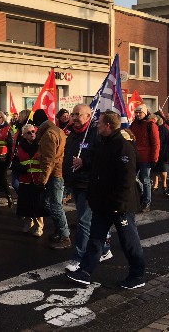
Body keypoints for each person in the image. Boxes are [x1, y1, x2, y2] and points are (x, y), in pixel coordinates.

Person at [67, 111, 146, 289]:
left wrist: (120, 204)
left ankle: (137, 275)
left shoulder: (123, 145)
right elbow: (97, 163)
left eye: (100, 123)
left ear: (108, 126)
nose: (98, 126)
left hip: (119, 205)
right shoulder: (104, 142)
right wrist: (83, 163)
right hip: (102, 203)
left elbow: (126, 179)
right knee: (95, 239)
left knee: (129, 242)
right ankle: (85, 272)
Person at [62, 104, 112, 270]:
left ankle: (79, 258)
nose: (75, 117)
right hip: (76, 182)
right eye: (73, 114)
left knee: (83, 221)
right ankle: (104, 249)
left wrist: (85, 162)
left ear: (88, 116)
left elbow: (101, 157)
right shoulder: (72, 133)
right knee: (90, 221)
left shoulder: (95, 133)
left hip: (88, 184)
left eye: (79, 114)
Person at [33, 109, 71, 250]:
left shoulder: (48, 134)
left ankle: (65, 235)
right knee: (51, 203)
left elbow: (49, 159)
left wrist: (43, 180)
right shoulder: (56, 130)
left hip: (54, 174)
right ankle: (59, 230)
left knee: (54, 205)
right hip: (56, 172)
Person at [10, 123, 45, 237]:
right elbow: (14, 162)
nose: (32, 134)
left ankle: (39, 226)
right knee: (26, 203)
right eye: (28, 133)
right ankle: (29, 222)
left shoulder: (41, 145)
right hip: (25, 179)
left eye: (33, 131)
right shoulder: (19, 146)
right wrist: (20, 168)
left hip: (37, 179)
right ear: (24, 135)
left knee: (38, 204)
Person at [129, 104, 160, 212]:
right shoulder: (133, 124)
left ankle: (147, 202)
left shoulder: (150, 125)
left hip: (146, 158)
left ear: (145, 113)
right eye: (136, 112)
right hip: (135, 157)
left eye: (140, 112)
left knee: (145, 180)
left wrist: (154, 159)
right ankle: (141, 196)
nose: (137, 114)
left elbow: (156, 143)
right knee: (132, 178)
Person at [151, 115, 169, 192]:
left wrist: (163, 150)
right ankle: (156, 184)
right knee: (155, 169)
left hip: (163, 152)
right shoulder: (152, 128)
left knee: (163, 169)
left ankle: (164, 183)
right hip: (155, 151)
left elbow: (167, 141)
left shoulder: (164, 129)